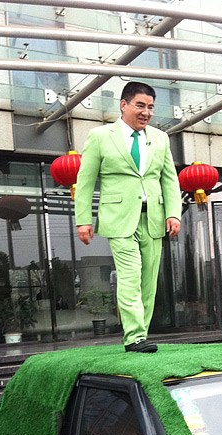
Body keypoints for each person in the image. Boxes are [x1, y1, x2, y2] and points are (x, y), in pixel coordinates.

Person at [75, 81, 182, 353]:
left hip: (153, 219)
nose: (146, 112)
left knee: (148, 280)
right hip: (119, 218)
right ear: (123, 105)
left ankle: (141, 335)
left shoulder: (160, 138)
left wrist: (173, 213)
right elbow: (85, 181)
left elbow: (169, 179)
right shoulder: (100, 136)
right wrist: (83, 219)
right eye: (140, 105)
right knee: (130, 276)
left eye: (150, 107)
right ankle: (134, 337)